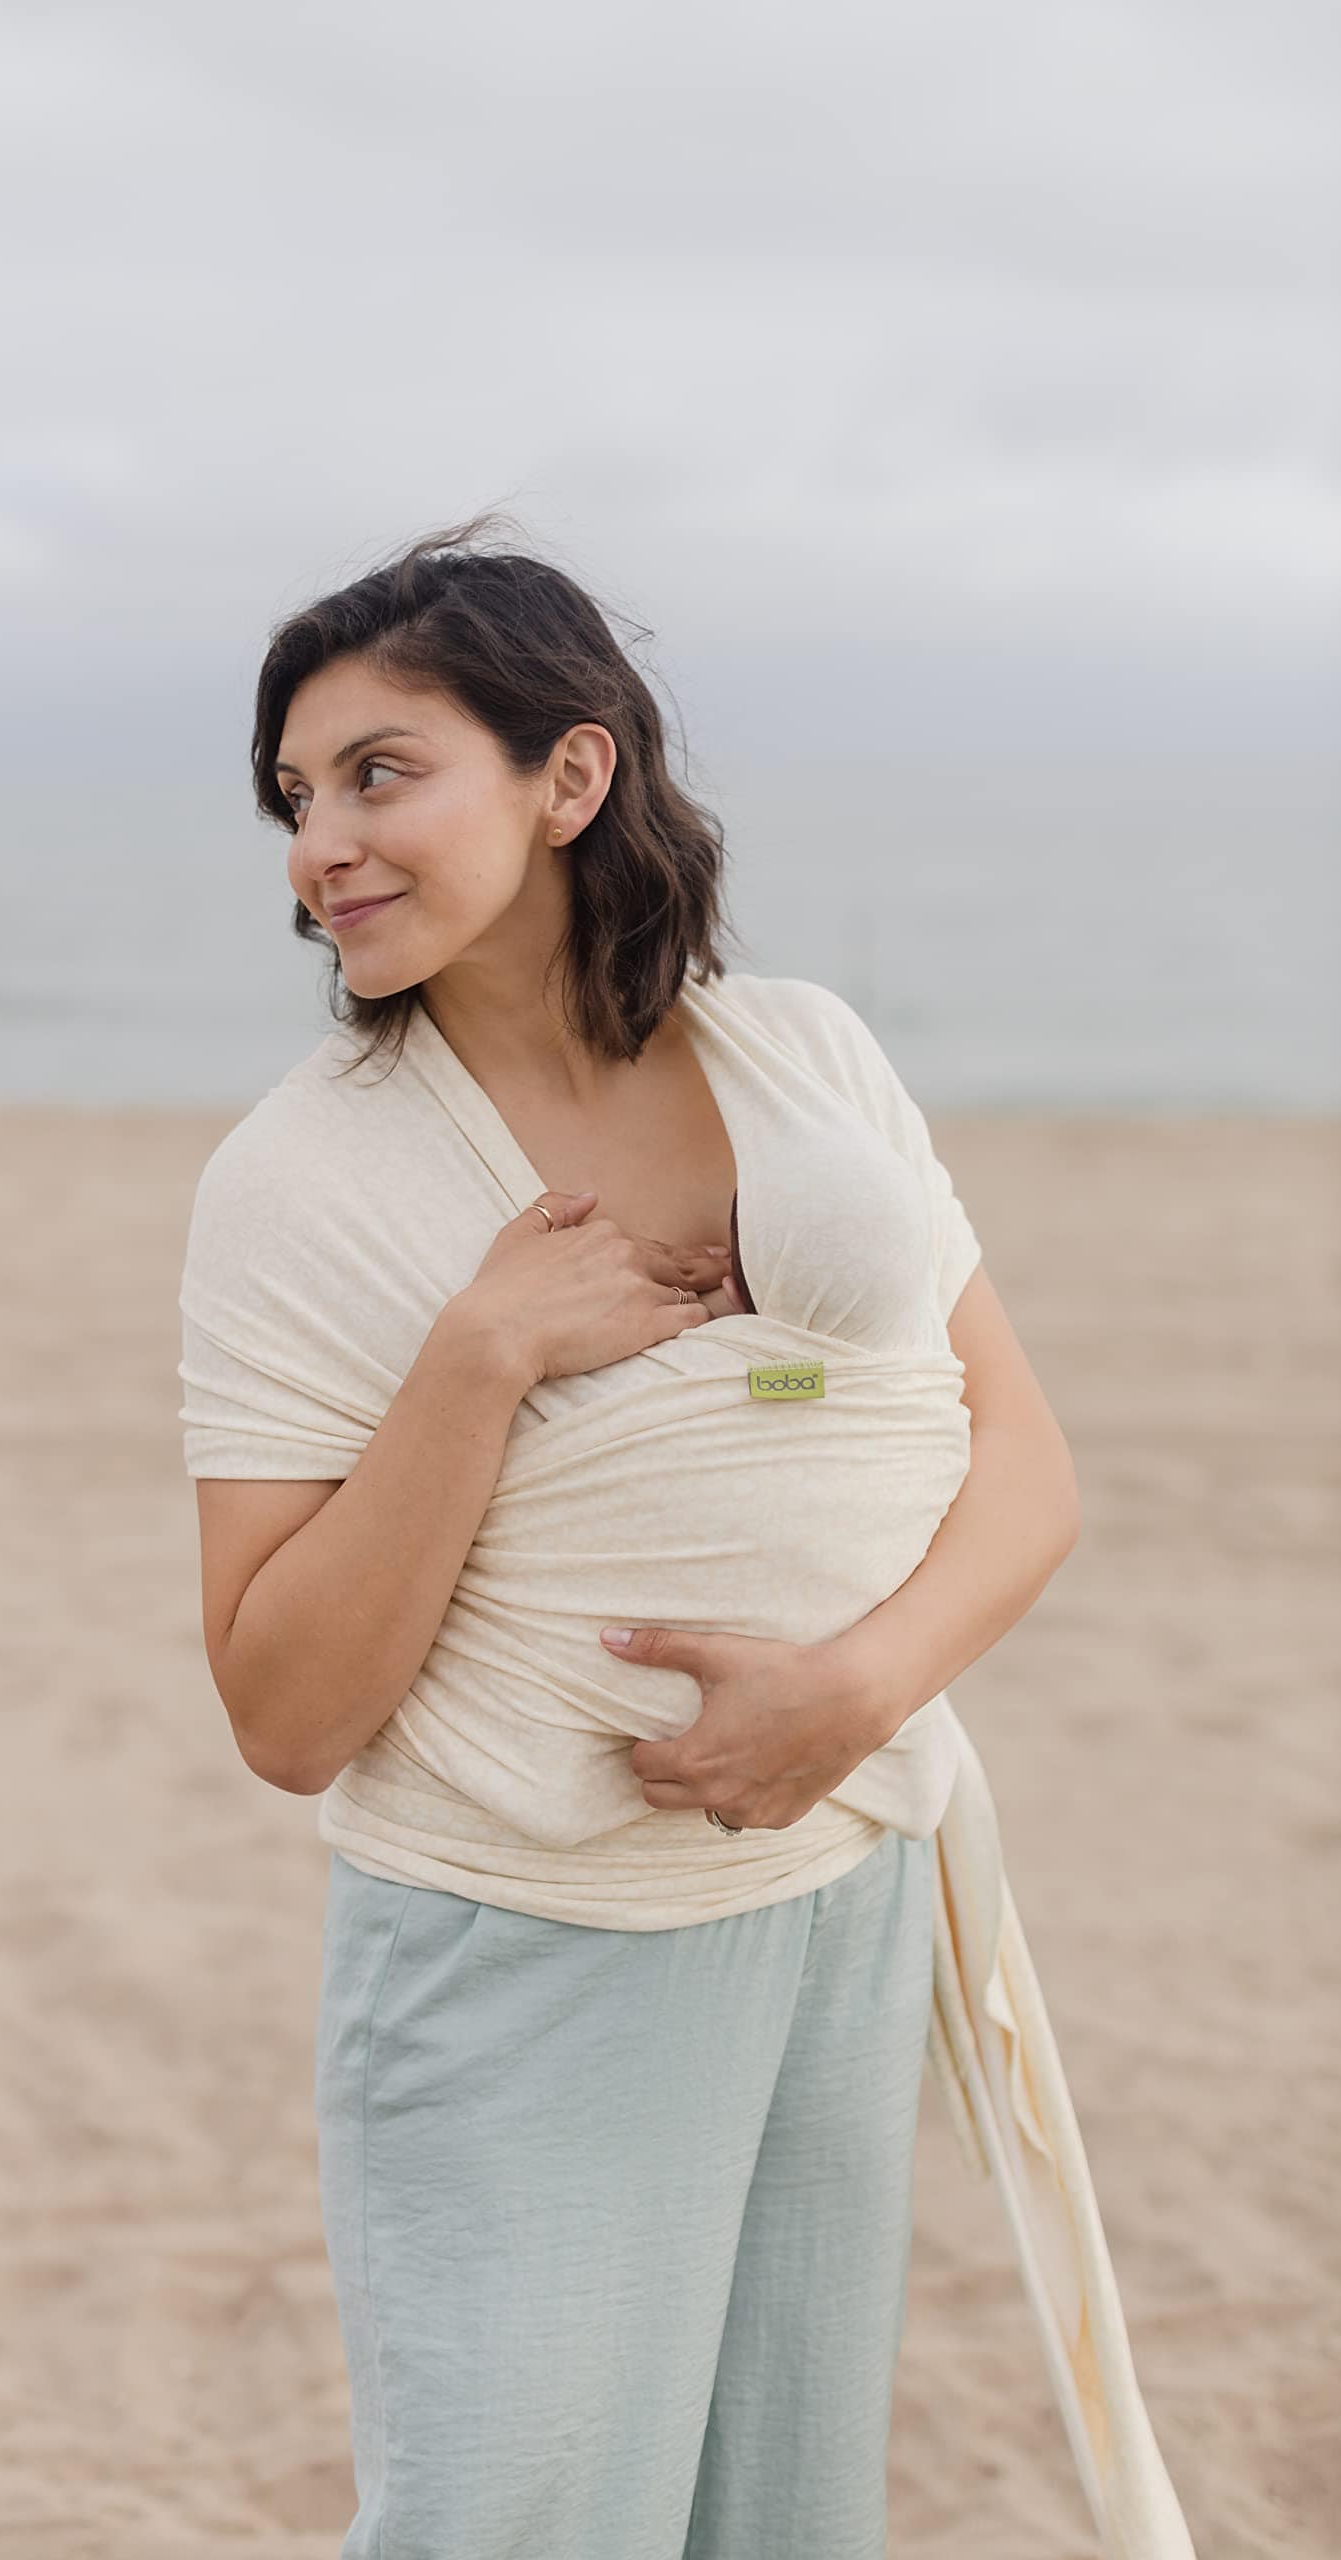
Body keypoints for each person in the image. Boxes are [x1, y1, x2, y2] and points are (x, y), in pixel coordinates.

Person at [176, 513, 1194, 2559]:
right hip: (519, 1939)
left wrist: (853, 1688)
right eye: (295, 798)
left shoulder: (801, 1054)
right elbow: (284, 1712)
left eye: (380, 771)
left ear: (570, 775)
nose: (318, 843)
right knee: (513, 2515)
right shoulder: (297, 1180)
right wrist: (478, 1354)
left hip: (838, 1886)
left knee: (776, 2510)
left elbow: (1021, 1459)